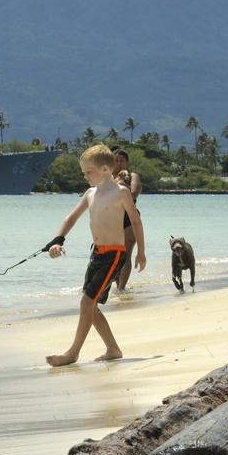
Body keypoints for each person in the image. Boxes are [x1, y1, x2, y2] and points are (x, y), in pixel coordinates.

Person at [44, 144, 145, 366]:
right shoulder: (90, 194)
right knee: (92, 306)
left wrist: (141, 253)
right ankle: (113, 349)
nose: (85, 177)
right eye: (84, 172)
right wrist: (58, 240)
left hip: (114, 255)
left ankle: (72, 353)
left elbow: (136, 221)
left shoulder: (121, 193)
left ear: (106, 170)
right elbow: (71, 218)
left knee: (86, 303)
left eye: (89, 172)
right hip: (97, 254)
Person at [112, 147, 142, 290]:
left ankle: (121, 288)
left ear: (127, 163)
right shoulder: (106, 178)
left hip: (129, 218)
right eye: (116, 160)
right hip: (111, 219)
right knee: (113, 255)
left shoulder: (132, 176)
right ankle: (117, 284)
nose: (119, 163)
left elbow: (135, 192)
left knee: (126, 253)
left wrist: (122, 184)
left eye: (122, 161)